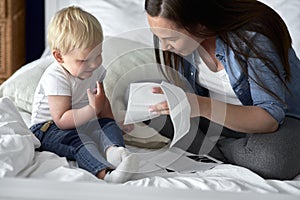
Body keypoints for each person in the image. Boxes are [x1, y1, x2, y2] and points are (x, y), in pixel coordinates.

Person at [144, 0, 300, 180]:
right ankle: (233, 149)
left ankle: (214, 150)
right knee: (153, 112)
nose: (164, 47)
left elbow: (270, 119)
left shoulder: (253, 37)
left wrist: (202, 106)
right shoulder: (184, 47)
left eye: (171, 38)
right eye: (159, 37)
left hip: (278, 122)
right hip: (220, 120)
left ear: (200, 24)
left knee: (271, 161)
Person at [29, 6, 138, 183]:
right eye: (83, 60)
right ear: (59, 57)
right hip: (48, 129)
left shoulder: (94, 69)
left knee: (106, 126)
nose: (94, 64)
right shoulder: (56, 78)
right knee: (81, 141)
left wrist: (112, 123)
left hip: (82, 120)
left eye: (98, 55)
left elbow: (101, 101)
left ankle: (115, 152)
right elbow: (62, 120)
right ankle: (106, 173)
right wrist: (92, 109)